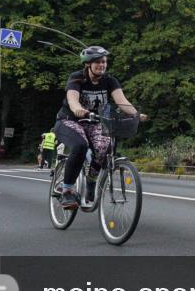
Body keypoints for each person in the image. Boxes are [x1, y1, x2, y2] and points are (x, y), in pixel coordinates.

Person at [52, 46, 143, 210]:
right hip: (70, 120)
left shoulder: (110, 81)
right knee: (81, 145)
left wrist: (136, 114)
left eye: (104, 62)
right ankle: (67, 190)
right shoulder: (77, 78)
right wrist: (76, 108)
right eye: (98, 62)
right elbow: (72, 99)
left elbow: (122, 102)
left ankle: (91, 181)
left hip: (95, 122)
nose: (102, 65)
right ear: (88, 64)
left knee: (103, 148)